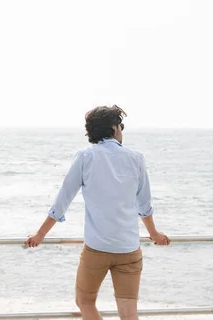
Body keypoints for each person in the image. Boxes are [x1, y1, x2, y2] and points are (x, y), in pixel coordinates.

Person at [25, 105, 170, 320]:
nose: (121, 131)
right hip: (129, 249)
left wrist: (40, 235)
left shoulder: (86, 157)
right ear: (114, 127)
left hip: (97, 249)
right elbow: (144, 204)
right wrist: (154, 233)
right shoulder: (136, 158)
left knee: (84, 302)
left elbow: (63, 199)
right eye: (121, 126)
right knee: (129, 314)